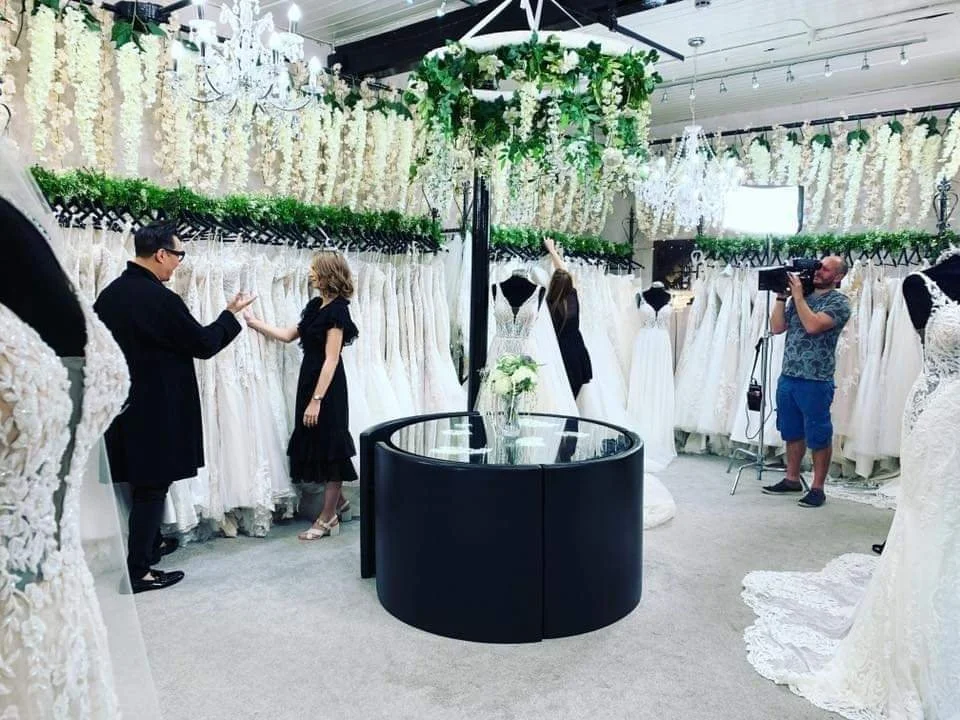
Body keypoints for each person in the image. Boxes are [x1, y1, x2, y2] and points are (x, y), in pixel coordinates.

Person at [94, 221, 255, 593]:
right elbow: (202, 344)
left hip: (122, 407)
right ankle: (139, 572)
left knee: (141, 483)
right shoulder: (161, 300)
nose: (178, 263)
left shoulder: (109, 295)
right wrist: (229, 317)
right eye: (178, 255)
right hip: (158, 409)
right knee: (152, 487)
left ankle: (149, 547)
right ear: (161, 254)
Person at [245, 250, 359, 541]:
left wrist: (317, 400)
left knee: (332, 446)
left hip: (328, 388)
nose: (309, 273)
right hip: (309, 381)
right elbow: (288, 335)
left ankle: (328, 517)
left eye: (313, 269)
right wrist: (254, 323)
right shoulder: (315, 305)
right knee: (315, 440)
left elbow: (332, 359)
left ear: (327, 273)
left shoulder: (338, 312)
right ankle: (340, 501)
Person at [762, 255, 850, 508]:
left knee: (819, 433)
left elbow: (813, 325)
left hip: (816, 378)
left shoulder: (838, 302)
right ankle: (791, 478)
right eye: (818, 267)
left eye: (825, 269)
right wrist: (781, 297)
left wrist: (798, 296)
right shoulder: (801, 298)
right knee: (791, 430)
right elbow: (777, 328)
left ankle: (818, 488)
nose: (818, 271)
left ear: (838, 276)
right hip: (789, 374)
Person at [543, 237, 593, 399]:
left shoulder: (548, 304)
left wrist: (550, 251)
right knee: (573, 388)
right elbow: (564, 271)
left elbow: (563, 274)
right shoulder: (572, 296)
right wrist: (552, 251)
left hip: (559, 349)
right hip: (576, 348)